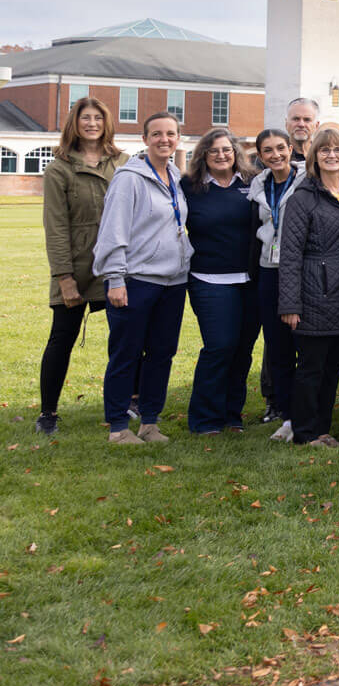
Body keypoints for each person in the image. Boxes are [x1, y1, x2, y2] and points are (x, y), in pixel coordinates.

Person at [91, 111, 193, 444]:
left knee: (162, 353)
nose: (165, 139)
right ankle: (119, 426)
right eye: (157, 134)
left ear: (179, 138)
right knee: (127, 353)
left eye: (171, 134)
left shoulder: (175, 176)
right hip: (135, 280)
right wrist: (116, 279)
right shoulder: (129, 179)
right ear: (144, 139)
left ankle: (150, 421)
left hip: (173, 282)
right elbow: (113, 232)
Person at [38, 97, 126, 436]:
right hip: (76, 266)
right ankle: (48, 413)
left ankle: (126, 403)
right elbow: (56, 227)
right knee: (61, 338)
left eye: (98, 118)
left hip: (116, 266)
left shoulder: (122, 162)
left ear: (107, 123)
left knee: (126, 338)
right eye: (85, 118)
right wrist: (64, 278)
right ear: (74, 123)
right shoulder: (58, 168)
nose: (91, 123)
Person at [278, 129, 339, 447]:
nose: (332, 155)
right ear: (314, 156)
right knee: (311, 368)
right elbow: (289, 254)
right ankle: (304, 433)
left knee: (332, 368)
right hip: (315, 294)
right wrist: (290, 304)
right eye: (325, 150)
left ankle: (322, 430)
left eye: (338, 150)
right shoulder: (304, 197)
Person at [180, 129, 259, 436]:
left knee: (243, 350)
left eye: (227, 150)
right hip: (209, 279)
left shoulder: (251, 183)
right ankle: (204, 419)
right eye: (214, 151)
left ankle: (231, 415)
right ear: (203, 156)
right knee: (220, 346)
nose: (222, 155)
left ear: (235, 153)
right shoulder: (190, 186)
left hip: (250, 279)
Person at [248, 129, 304, 436]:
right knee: (278, 345)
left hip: (299, 269)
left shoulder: (306, 181)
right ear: (260, 155)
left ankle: (306, 414)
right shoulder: (258, 185)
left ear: (291, 149)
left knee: (303, 344)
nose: (275, 155)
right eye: (268, 150)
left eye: (281, 148)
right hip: (269, 270)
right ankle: (286, 417)